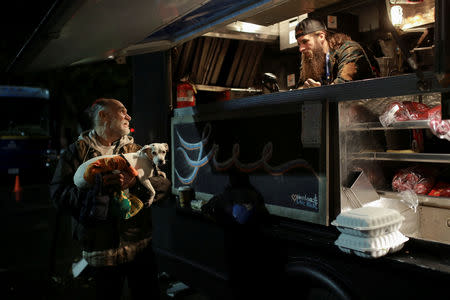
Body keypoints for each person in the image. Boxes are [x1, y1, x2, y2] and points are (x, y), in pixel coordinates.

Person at [50, 98, 170, 300]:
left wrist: (134, 183)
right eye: (122, 111)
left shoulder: (137, 150)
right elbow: (58, 195)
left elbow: (164, 185)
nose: (128, 117)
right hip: (100, 254)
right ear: (103, 116)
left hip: (139, 246)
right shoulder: (76, 153)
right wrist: (98, 189)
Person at [295, 17, 376, 89]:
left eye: (305, 41)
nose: (301, 49)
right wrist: (305, 88)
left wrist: (317, 92)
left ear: (321, 36)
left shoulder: (349, 49)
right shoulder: (311, 57)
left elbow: (341, 86)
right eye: (299, 44)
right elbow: (300, 85)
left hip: (366, 104)